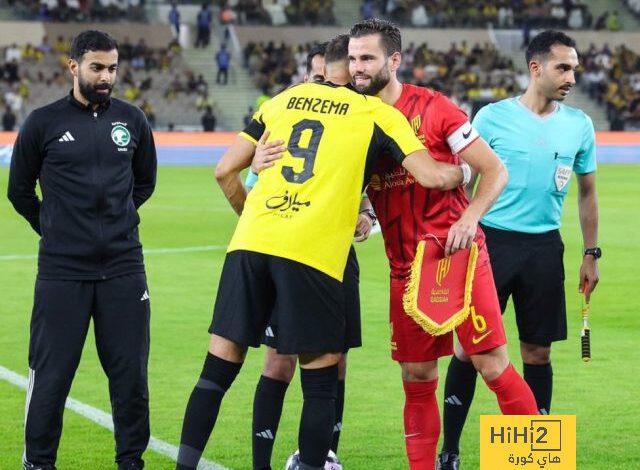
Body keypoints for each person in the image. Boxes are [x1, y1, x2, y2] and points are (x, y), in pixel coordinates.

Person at [174, 43, 471, 470]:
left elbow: (224, 172)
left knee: (216, 372)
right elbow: (428, 175)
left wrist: (254, 218)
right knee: (319, 386)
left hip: (250, 244)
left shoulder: (282, 100)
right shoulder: (377, 113)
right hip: (311, 255)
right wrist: (463, 171)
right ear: (350, 73)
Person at [347, 18, 538, 470]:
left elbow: (494, 171)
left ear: (393, 61)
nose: (357, 67)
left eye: (367, 58)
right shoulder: (354, 119)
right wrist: (363, 213)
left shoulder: (435, 109)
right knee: (416, 377)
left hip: (457, 260)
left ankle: (534, 463)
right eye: (353, 58)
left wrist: (471, 217)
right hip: (403, 267)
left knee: (491, 364)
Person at [438, 30, 599, 470]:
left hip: (545, 248)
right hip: (490, 244)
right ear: (536, 68)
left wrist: (592, 252)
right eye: (563, 67)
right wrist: (458, 232)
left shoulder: (580, 125)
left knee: (538, 354)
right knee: (468, 351)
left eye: (574, 68)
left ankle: (531, 456)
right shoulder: (491, 118)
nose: (572, 75)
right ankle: (449, 452)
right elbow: (463, 180)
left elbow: (587, 193)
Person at [7, 30, 157, 470]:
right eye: (97, 67)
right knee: (51, 377)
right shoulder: (43, 123)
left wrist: (115, 220)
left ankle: (131, 461)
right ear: (73, 67)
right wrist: (54, 229)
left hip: (125, 268)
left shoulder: (132, 121)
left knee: (130, 377)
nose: (106, 76)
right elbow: (19, 192)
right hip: (62, 273)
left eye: (112, 68)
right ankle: (38, 462)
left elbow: (144, 182)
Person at [246, 36, 374, 470]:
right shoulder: (280, 121)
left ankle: (322, 457)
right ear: (306, 78)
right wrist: (254, 165)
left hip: (335, 257)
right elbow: (250, 189)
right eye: (319, 78)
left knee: (335, 361)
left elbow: (359, 182)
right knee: (279, 361)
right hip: (287, 252)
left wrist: (366, 214)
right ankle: (261, 462)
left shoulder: (355, 119)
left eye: (333, 80)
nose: (327, 87)